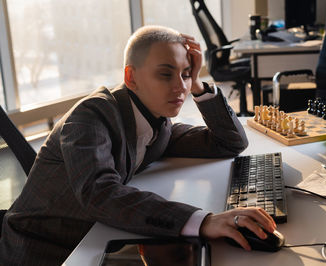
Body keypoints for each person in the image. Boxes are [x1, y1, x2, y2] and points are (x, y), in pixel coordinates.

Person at [0, 25, 276, 265]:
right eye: (166, 74)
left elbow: (229, 142)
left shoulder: (157, 121)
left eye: (185, 73)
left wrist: (199, 86)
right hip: (44, 251)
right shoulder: (91, 116)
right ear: (131, 77)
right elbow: (100, 194)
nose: (180, 86)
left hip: (97, 236)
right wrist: (204, 221)